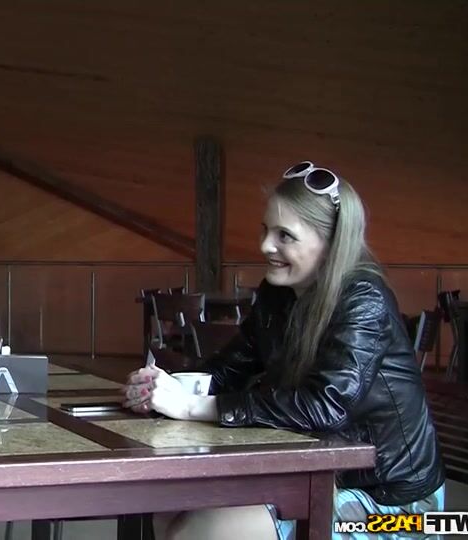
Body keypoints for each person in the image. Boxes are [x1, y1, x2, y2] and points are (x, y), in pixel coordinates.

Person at [123, 162, 445, 539]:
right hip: (313, 475)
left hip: (394, 504)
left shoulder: (364, 300)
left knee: (199, 531)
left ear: (331, 244)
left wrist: (194, 407)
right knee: (169, 508)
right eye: (266, 230)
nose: (265, 245)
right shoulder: (277, 294)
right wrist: (163, 389)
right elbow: (230, 368)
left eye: (285, 236)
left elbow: (325, 406)